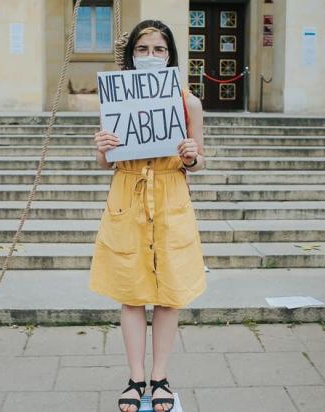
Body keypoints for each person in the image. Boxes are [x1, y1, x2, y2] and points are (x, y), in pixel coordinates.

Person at [89, 20, 206, 412]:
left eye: (159, 49)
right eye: (142, 49)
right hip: (128, 195)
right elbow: (104, 162)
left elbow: (198, 161)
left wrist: (191, 154)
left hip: (170, 196)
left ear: (170, 54)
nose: (151, 56)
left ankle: (160, 378)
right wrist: (101, 147)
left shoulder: (188, 102)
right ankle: (135, 378)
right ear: (131, 55)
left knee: (169, 294)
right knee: (131, 292)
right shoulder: (116, 99)